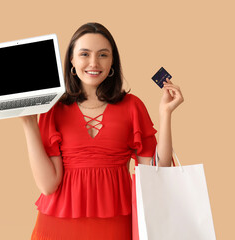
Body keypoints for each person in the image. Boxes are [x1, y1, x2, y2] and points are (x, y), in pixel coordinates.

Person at [20, 22, 184, 240]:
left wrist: (165, 114)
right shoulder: (55, 108)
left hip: (116, 223)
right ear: (72, 59)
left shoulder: (132, 106)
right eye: (84, 54)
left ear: (112, 60)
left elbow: (157, 172)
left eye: (103, 55)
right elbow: (48, 185)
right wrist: (28, 123)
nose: (93, 63)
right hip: (57, 224)